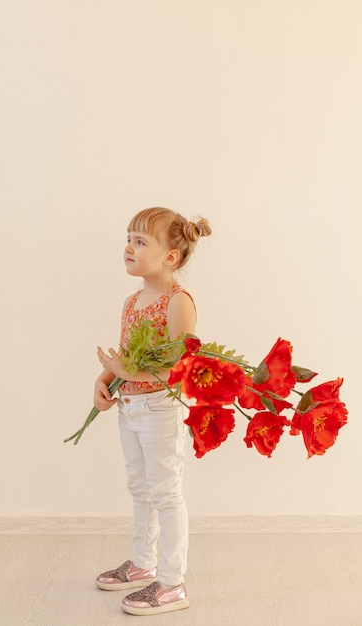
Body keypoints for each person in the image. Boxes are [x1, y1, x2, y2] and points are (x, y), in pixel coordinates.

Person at [94, 207, 211, 616]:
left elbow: (182, 368)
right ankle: (144, 563)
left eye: (140, 241)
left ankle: (172, 582)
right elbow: (126, 356)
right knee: (139, 487)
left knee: (165, 492)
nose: (128, 247)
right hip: (129, 405)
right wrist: (105, 380)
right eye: (128, 238)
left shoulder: (177, 302)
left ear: (170, 257)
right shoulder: (131, 302)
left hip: (161, 409)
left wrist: (129, 371)